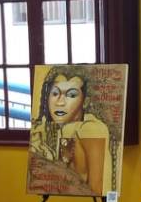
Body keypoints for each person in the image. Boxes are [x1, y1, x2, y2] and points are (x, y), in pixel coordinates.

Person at [29, 65, 113, 195]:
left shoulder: (90, 128)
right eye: (55, 93)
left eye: (71, 95)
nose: (60, 102)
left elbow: (97, 188)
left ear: (85, 102)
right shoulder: (56, 128)